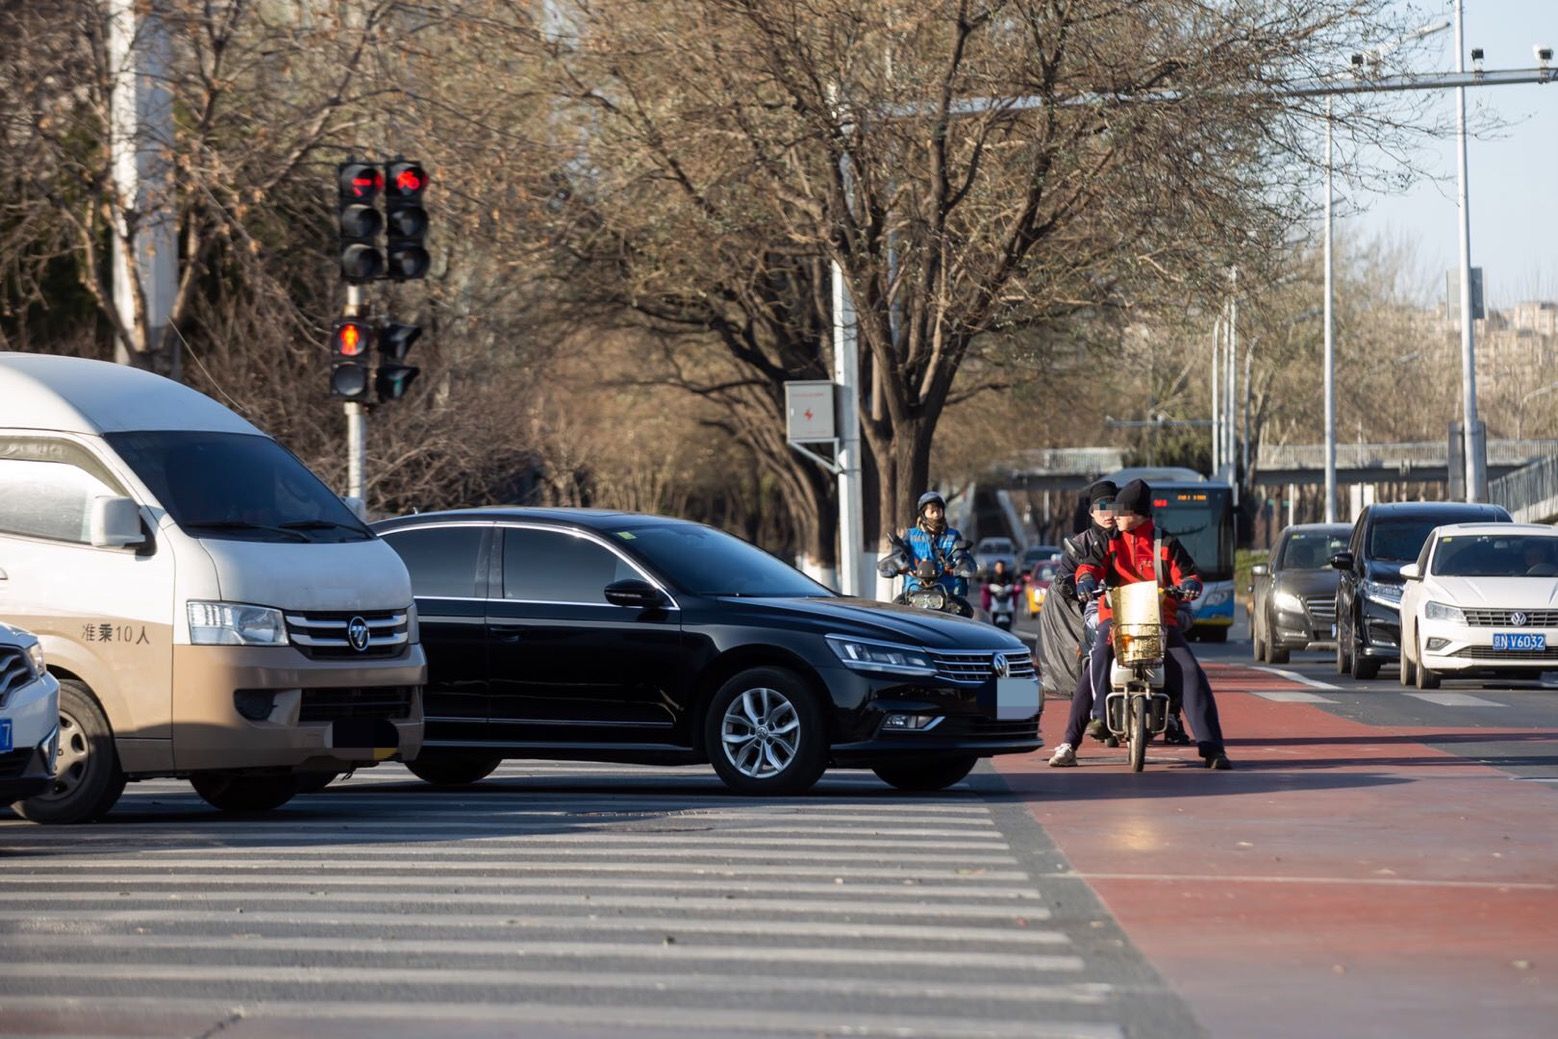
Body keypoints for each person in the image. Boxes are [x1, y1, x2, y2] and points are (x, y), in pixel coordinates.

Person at [1049, 478, 1232, 770]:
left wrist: (1189, 585)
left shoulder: (1166, 543)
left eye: (1121, 511)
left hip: (1159, 622)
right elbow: (1090, 567)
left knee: (1190, 672)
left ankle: (1213, 748)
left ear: (1139, 514)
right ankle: (1077, 736)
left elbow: (1189, 574)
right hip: (1116, 620)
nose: (1114, 516)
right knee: (1097, 657)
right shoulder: (1109, 542)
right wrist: (1085, 580)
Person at [880, 491, 976, 615]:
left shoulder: (953, 535)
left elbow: (960, 554)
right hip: (914, 591)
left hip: (946, 593)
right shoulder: (911, 535)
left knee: (965, 612)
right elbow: (899, 553)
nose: (936, 515)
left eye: (939, 511)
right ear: (923, 514)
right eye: (932, 511)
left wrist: (960, 566)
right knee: (894, 615)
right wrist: (897, 565)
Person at [981, 559, 1020, 630]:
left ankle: (1013, 619)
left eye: (1002, 567)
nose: (1000, 569)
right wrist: (987, 587)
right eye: (998, 567)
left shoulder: (1009, 576)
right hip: (994, 598)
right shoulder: (991, 576)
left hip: (1007, 597)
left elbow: (1015, 584)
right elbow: (985, 584)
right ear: (995, 567)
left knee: (1013, 605)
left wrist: (1016, 588)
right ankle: (987, 618)